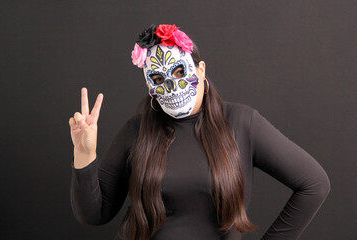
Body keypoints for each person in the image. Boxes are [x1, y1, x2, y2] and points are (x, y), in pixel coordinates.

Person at [69, 24, 331, 240]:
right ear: (149, 85)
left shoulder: (241, 123)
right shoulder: (136, 131)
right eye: (159, 80)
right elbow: (94, 215)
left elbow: (314, 184)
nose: (171, 86)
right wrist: (84, 153)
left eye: (180, 71)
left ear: (201, 70)